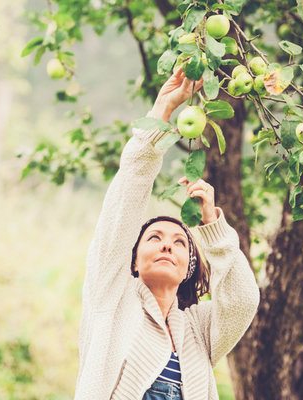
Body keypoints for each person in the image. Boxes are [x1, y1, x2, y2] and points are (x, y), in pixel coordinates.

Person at [74, 67, 260, 400]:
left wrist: (211, 227)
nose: (166, 246)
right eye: (154, 238)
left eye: (178, 243)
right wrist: (163, 111)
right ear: (133, 261)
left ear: (189, 266)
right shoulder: (112, 298)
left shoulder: (197, 329)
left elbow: (243, 300)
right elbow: (124, 202)